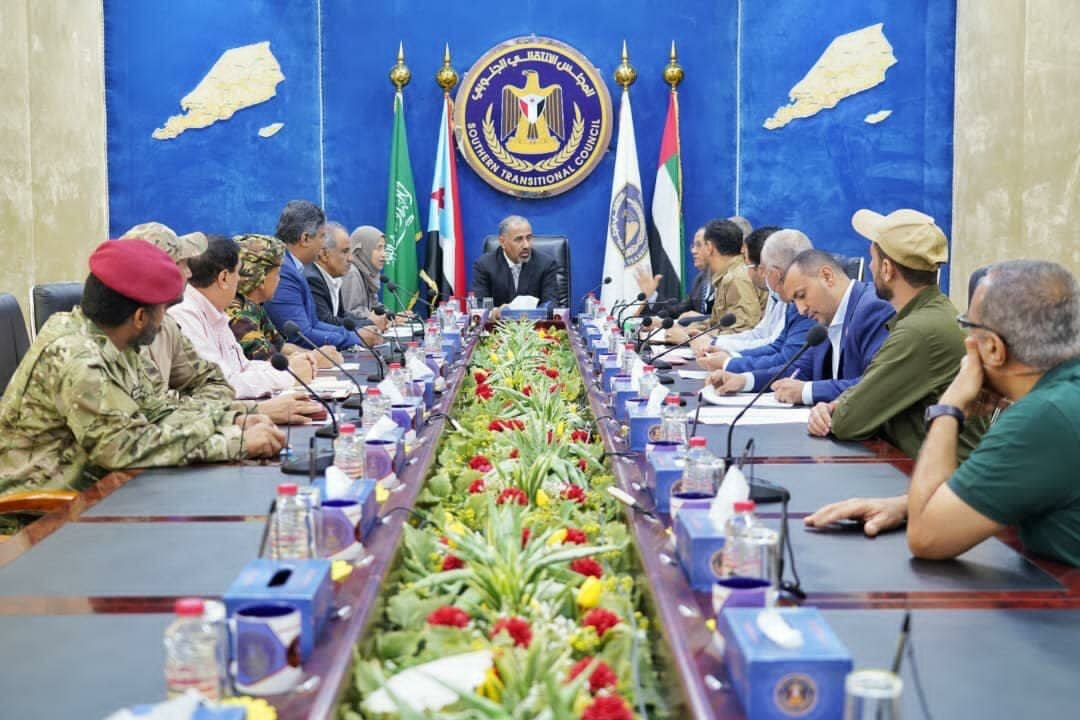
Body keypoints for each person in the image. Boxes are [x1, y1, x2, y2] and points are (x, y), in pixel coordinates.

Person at [807, 260, 1080, 567]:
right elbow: (1012, 487)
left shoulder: (1043, 418)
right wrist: (907, 505)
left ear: (993, 348)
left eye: (969, 327)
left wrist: (949, 406)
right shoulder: (1061, 396)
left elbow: (926, 536)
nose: (966, 342)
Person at [0, 239, 284, 496]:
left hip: (103, 490)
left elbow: (156, 409)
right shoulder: (79, 359)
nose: (166, 320)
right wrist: (234, 443)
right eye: (163, 310)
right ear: (139, 317)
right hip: (40, 512)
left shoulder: (115, 342)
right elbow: (124, 447)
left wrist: (231, 419)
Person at [806, 208, 986, 460]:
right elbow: (866, 394)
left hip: (941, 477)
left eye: (872, 258)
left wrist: (834, 411)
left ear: (887, 269)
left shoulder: (919, 331)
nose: (870, 266)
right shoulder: (927, 317)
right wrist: (835, 406)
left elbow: (848, 422)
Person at [123, 224, 317, 424]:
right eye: (180, 263)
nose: (189, 274)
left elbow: (216, 383)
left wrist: (251, 410)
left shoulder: (172, 322)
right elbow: (156, 415)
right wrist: (254, 411)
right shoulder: (180, 315)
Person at [731, 249, 893, 404]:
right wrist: (744, 380)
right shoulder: (826, 319)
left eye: (802, 295)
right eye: (794, 301)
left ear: (827, 276)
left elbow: (876, 384)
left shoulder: (873, 309)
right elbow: (799, 369)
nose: (801, 310)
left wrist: (808, 391)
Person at [169, 235, 301, 399]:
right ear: (224, 278)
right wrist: (290, 376)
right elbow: (225, 383)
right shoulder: (184, 314)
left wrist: (289, 368)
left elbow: (242, 367)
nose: (239, 280)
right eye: (238, 273)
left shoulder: (215, 311)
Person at [700, 229, 817, 380]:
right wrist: (730, 356)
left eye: (763, 269)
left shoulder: (803, 303)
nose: (761, 274)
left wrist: (729, 362)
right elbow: (775, 344)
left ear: (774, 273)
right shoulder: (786, 299)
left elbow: (788, 359)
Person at [264, 200, 360, 350]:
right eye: (322, 236)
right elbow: (301, 335)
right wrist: (354, 339)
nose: (323, 245)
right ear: (305, 239)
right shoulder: (283, 272)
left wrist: (354, 335)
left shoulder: (294, 266)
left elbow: (314, 323)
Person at [694, 226, 789, 365]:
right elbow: (760, 333)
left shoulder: (737, 278)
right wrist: (712, 341)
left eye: (745, 262)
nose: (693, 250)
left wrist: (720, 349)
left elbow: (755, 333)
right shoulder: (774, 293)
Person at [665, 218, 762, 346]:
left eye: (700, 245)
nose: (693, 250)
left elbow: (742, 331)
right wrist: (688, 330)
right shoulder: (728, 274)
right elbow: (717, 323)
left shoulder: (737, 278)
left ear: (709, 247)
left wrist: (688, 338)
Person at [305, 222, 388, 346]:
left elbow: (343, 316)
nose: (350, 258)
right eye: (345, 252)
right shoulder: (313, 279)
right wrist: (368, 323)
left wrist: (372, 321)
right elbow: (326, 321)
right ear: (324, 254)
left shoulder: (334, 277)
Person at [470, 215, 559, 316]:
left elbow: (551, 305)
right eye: (519, 239)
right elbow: (480, 306)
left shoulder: (546, 264)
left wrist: (525, 314)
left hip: (535, 324)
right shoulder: (484, 265)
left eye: (529, 238)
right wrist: (495, 313)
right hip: (497, 324)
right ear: (502, 242)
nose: (526, 245)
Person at [340, 225, 386, 318]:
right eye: (379, 248)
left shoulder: (367, 272)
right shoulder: (352, 273)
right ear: (363, 250)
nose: (384, 254)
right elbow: (352, 313)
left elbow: (375, 307)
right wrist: (382, 319)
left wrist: (393, 316)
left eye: (384, 248)